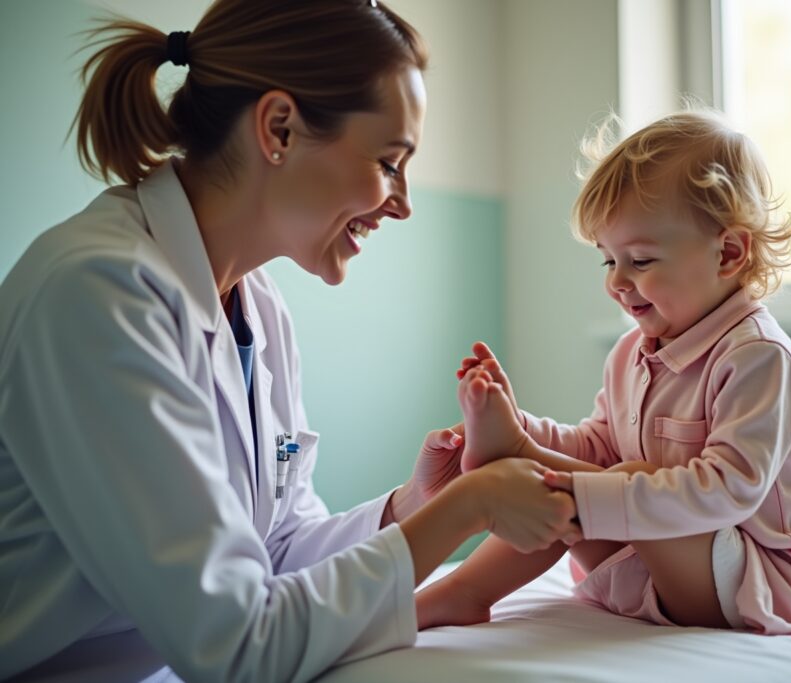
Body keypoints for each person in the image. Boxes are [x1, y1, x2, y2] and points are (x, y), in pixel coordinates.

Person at [0, 1, 580, 680]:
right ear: (278, 128)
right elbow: (240, 644)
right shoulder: (98, 296)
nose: (404, 201)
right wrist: (464, 511)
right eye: (390, 161)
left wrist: (412, 506)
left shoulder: (258, 307)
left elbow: (274, 548)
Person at [415, 109, 791, 635]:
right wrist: (532, 434)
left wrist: (587, 496)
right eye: (607, 260)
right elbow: (596, 448)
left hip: (757, 583)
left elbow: (728, 489)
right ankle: (462, 590)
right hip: (661, 565)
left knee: (619, 482)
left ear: (728, 253)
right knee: (560, 485)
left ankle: (518, 457)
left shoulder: (758, 357)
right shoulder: (631, 354)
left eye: (639, 261)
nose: (617, 281)